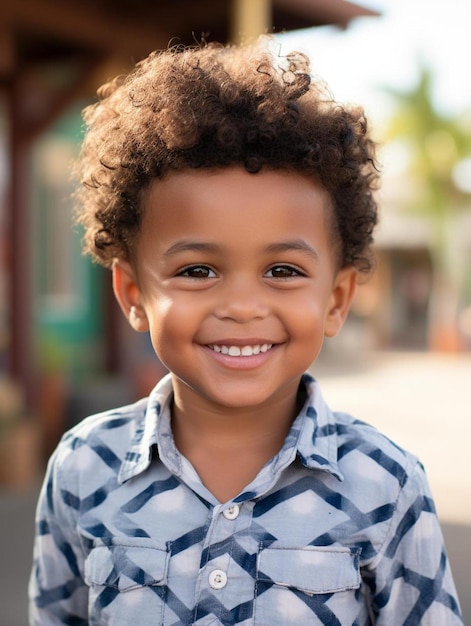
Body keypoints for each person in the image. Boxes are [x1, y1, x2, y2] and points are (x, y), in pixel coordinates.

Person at [29, 38, 463, 625]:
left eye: (282, 271)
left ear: (336, 300)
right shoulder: (83, 468)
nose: (240, 306)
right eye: (197, 270)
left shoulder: (386, 484)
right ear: (134, 294)